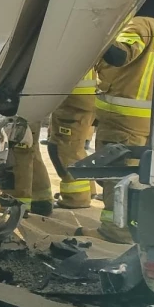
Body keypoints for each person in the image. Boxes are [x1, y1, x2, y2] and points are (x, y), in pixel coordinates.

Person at [93, 14, 154, 243]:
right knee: (140, 176)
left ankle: (116, 231)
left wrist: (90, 36)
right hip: (148, 118)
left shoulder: (142, 23)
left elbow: (120, 54)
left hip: (123, 119)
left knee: (117, 175)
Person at [48, 69, 98, 209]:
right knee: (74, 148)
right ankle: (87, 191)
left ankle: (76, 198)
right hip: (78, 96)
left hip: (73, 97)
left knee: (65, 150)